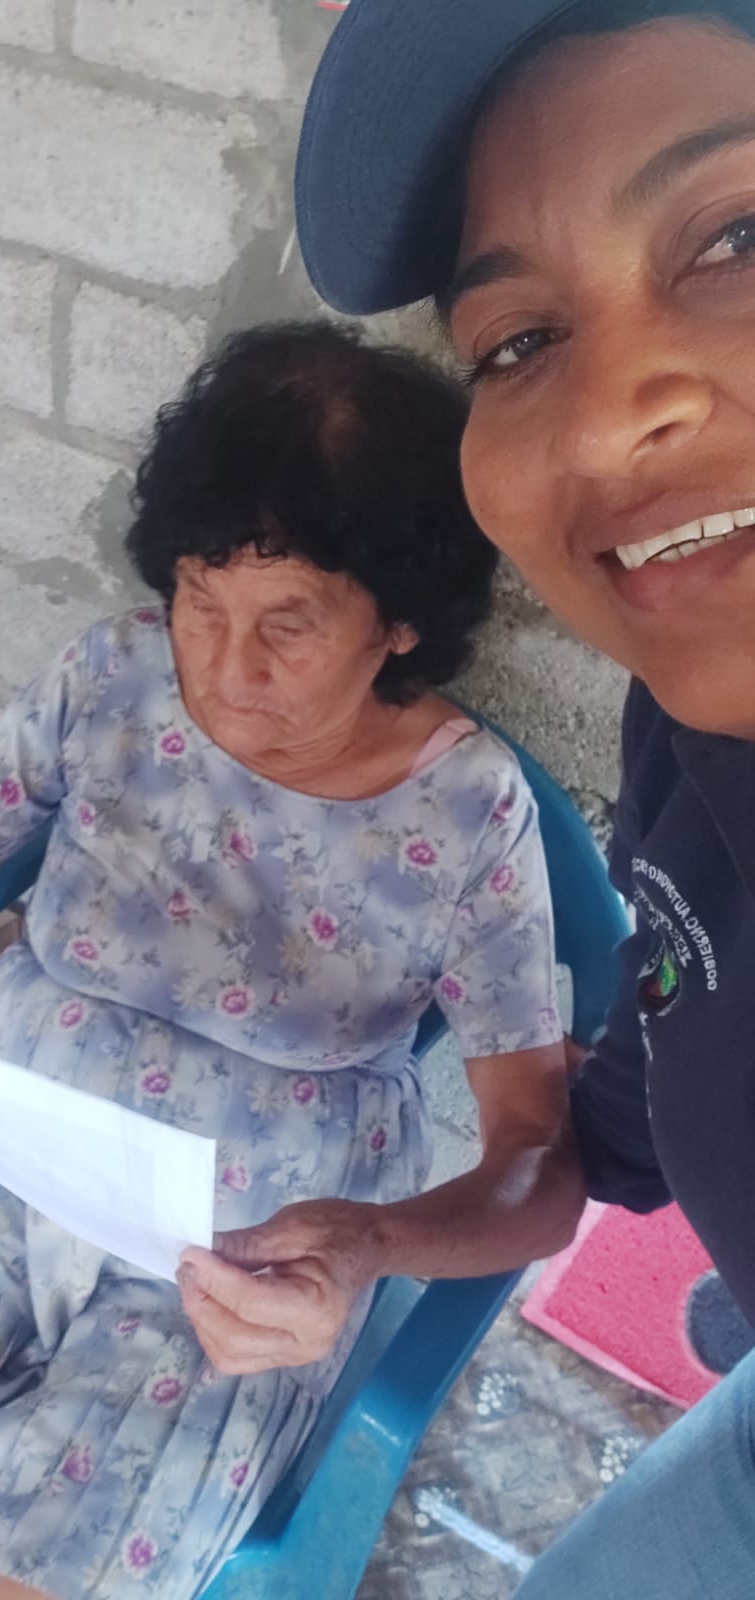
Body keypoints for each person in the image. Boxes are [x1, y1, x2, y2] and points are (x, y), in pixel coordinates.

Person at [0, 323, 574, 1600]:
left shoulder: (469, 811)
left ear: (402, 624)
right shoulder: (109, 678)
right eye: (200, 599)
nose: (226, 669)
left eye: (290, 622)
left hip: (238, 1252)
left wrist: (367, 1246)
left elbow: (537, 1158)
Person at [295, 2, 755, 1595]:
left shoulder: (478, 804)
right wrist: (371, 1236)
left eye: (737, 236)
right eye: (517, 342)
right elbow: (625, 1117)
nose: (614, 417)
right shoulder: (688, 732)